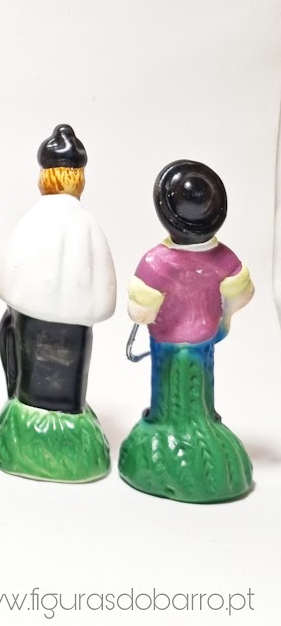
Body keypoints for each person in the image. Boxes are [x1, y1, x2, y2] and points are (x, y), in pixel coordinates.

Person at [119, 159, 254, 502]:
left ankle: (169, 426)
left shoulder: (157, 262)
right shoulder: (225, 259)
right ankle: (202, 421)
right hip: (204, 340)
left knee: (169, 390)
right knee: (200, 384)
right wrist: (224, 318)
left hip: (167, 342)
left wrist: (142, 314)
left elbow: (141, 310)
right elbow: (242, 292)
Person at [0, 123, 116, 482]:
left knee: (25, 365)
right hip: (75, 326)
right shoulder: (87, 225)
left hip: (31, 319)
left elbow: (6, 277)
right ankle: (63, 412)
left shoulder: (34, 219)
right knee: (65, 380)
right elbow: (104, 290)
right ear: (79, 180)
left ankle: (31, 408)